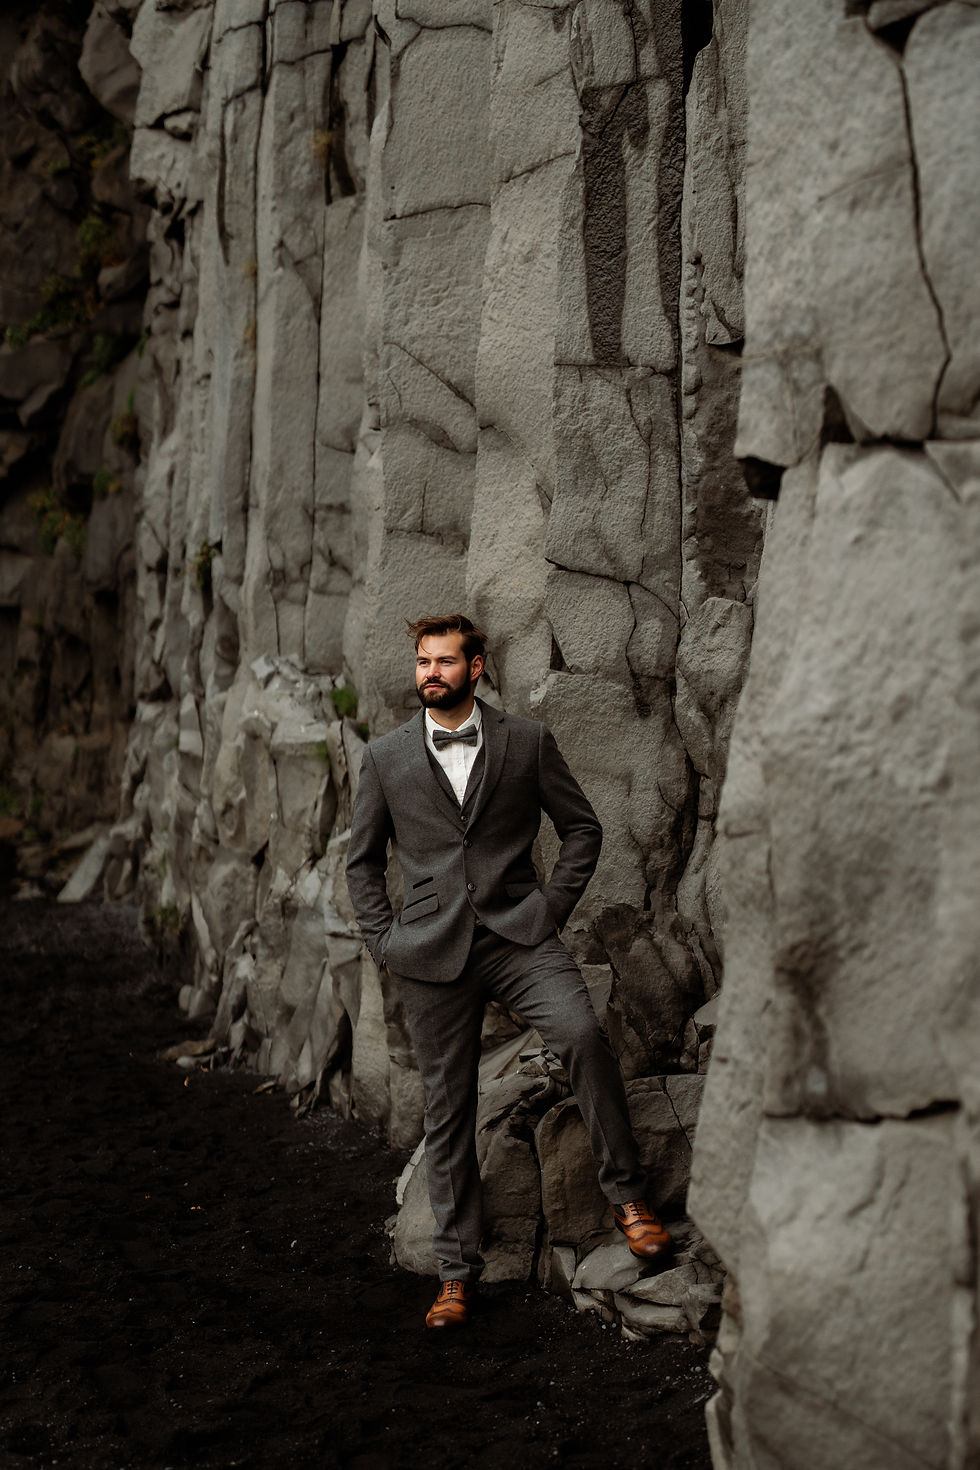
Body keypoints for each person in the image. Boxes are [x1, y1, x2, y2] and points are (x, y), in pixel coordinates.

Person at [346, 614, 672, 1329]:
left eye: (444, 661)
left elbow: (583, 828)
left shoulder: (526, 742)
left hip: (520, 936)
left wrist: (549, 908)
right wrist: (386, 942)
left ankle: (628, 1199)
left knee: (583, 1034)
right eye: (423, 661)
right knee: (448, 1106)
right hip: (430, 952)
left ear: (477, 666)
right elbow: (361, 863)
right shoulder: (386, 758)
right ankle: (458, 1275)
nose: (430, 672)